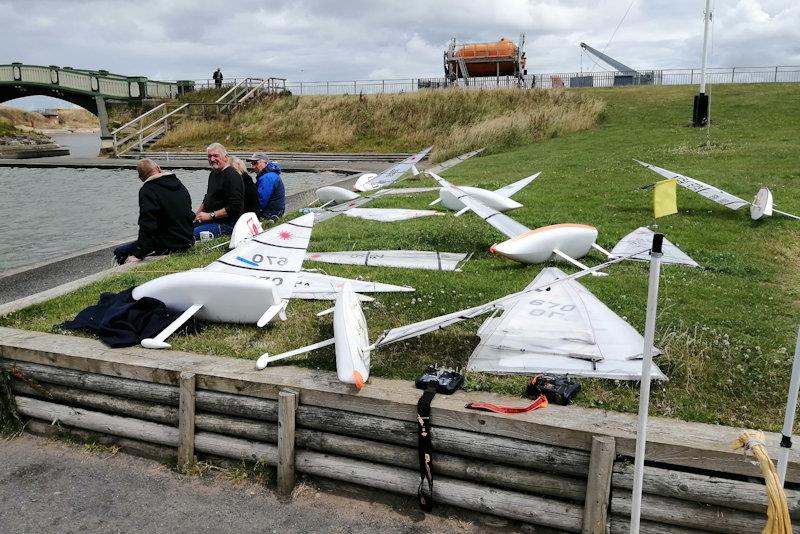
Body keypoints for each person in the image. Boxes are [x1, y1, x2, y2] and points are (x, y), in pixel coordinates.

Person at [113, 159, 194, 265]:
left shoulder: (147, 190)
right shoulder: (180, 185)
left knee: (119, 251)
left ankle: (122, 272)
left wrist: (139, 253)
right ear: (158, 168)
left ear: (141, 178)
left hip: (167, 244)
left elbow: (148, 224)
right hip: (187, 240)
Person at [193, 143, 244, 239]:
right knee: (184, 229)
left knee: (192, 234)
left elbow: (235, 207)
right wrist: (197, 215)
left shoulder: (232, 176)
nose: (212, 159)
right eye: (209, 156)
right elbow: (208, 197)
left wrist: (210, 215)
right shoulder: (213, 173)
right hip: (211, 219)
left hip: (228, 223)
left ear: (225, 157)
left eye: (215, 156)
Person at [246, 152, 285, 221]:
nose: (253, 167)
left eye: (255, 163)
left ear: (265, 163)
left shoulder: (267, 178)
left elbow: (260, 201)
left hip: (269, 215)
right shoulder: (270, 174)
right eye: (252, 164)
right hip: (276, 212)